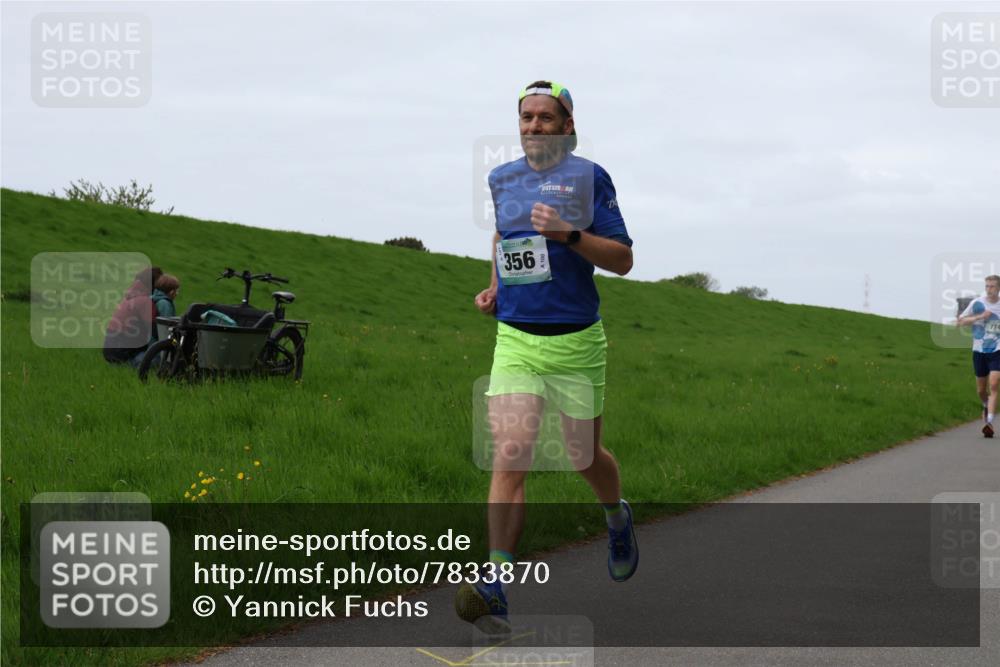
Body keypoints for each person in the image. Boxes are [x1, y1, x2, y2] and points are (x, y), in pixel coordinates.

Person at [455, 81, 636, 634]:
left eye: (545, 118)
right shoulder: (501, 178)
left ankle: (616, 515)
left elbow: (623, 259)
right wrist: (495, 288)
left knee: (584, 456)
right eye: (526, 118)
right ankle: (495, 585)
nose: (533, 127)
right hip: (516, 338)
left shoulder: (590, 177)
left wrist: (569, 234)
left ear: (568, 125)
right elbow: (504, 240)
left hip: (577, 339)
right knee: (510, 451)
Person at [957, 274, 1000, 438]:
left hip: (997, 349)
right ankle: (985, 404)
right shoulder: (977, 303)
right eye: (987, 286)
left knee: (994, 384)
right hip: (979, 351)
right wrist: (980, 317)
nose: (989, 289)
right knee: (981, 390)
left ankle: (989, 421)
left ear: (999, 288)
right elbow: (960, 322)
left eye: (993, 286)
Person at [102, 266, 161, 367]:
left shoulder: (129, 298)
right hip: (124, 353)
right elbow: (155, 331)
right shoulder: (144, 301)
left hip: (110, 352)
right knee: (158, 358)